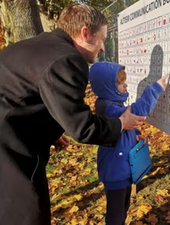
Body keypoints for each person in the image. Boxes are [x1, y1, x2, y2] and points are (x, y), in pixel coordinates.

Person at [0, 3, 146, 225]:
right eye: (102, 38)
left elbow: (25, 97)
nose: (103, 48)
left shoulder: (37, 46)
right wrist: (120, 123)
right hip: (9, 152)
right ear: (86, 33)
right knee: (27, 214)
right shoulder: (67, 59)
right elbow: (83, 128)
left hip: (10, 135)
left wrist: (48, 130)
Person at [89, 61, 168, 225]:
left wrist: (135, 135)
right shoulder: (107, 108)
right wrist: (155, 89)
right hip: (114, 170)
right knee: (116, 214)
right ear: (107, 87)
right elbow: (135, 114)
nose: (126, 86)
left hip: (121, 169)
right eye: (121, 83)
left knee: (123, 207)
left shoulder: (113, 105)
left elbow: (123, 127)